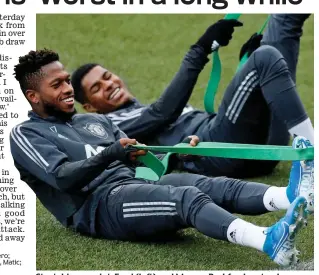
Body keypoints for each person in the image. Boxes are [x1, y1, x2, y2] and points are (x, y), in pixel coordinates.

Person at [10, 49, 314, 267]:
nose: (67, 89)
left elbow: (140, 157)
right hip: (100, 207)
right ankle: (268, 241)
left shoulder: (95, 122)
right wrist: (111, 154)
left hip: (133, 184)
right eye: (56, 85)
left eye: (66, 80)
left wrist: (174, 150)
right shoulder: (26, 134)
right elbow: (62, 176)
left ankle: (292, 196)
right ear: (33, 96)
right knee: (186, 198)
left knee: (210, 184)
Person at [71, 14, 313, 178]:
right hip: (224, 150)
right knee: (266, 58)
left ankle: (308, 148)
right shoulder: (112, 126)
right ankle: (313, 155)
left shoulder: (140, 110)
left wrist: (247, 66)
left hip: (259, 143)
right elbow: (162, 112)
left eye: (107, 76)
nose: (108, 84)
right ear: (90, 107)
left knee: (283, 19)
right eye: (97, 88)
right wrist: (200, 49)